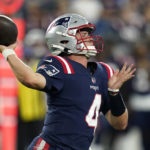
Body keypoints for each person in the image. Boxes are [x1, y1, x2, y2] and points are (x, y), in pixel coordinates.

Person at [0, 13, 136, 150]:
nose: (89, 37)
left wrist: (114, 93)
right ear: (64, 40)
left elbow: (120, 124)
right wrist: (8, 52)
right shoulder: (59, 64)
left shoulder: (103, 72)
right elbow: (30, 79)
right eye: (82, 34)